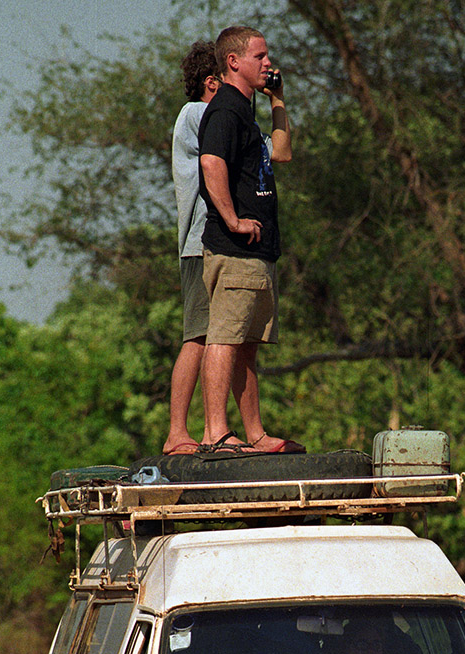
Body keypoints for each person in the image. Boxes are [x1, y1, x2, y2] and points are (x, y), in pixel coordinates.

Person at [197, 25, 304, 454]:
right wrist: (232, 218)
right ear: (233, 62)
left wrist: (277, 98)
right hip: (235, 250)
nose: (267, 63)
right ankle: (216, 433)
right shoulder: (224, 110)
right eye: (259, 56)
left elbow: (282, 153)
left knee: (246, 344)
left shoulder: (247, 111)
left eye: (267, 56)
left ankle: (254, 433)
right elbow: (210, 163)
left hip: (259, 253)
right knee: (224, 336)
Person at [163, 42, 221, 456]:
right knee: (197, 337)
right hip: (201, 243)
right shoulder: (198, 114)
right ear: (212, 82)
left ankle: (210, 428)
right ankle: (176, 432)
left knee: (217, 337)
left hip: (211, 244)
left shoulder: (208, 116)